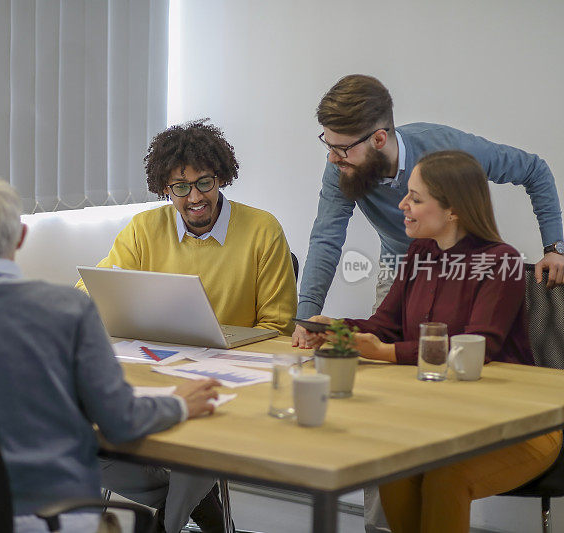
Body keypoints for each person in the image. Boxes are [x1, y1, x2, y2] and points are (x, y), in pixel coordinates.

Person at [0, 171, 220, 533]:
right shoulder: (69, 307)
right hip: (58, 516)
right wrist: (179, 402)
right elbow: (120, 420)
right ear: (21, 236)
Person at [298, 150, 562, 533]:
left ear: (453, 209)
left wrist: (386, 353)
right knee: (394, 464)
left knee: (445, 478)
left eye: (416, 199)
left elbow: (477, 347)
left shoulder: (500, 263)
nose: (402, 205)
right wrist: (333, 328)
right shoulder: (420, 254)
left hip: (518, 425)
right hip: (445, 420)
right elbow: (384, 326)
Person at [77, 119, 297, 532]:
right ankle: (198, 506)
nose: (195, 197)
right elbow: (95, 291)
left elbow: (278, 325)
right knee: (81, 428)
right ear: (166, 189)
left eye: (204, 183)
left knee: (198, 428)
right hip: (152, 366)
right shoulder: (144, 229)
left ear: (222, 178)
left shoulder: (262, 229)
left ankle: (169, 524)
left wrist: (225, 345)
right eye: (181, 187)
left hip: (230, 372)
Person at [296, 74, 564, 332]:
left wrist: (554, 247)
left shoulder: (447, 149)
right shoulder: (342, 166)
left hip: (465, 268)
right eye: (328, 145)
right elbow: (326, 239)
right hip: (400, 269)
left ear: (378, 139)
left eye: (341, 148)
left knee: (462, 355)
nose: (332, 158)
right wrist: (306, 321)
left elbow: (533, 170)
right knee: (386, 353)